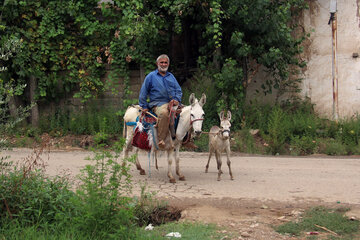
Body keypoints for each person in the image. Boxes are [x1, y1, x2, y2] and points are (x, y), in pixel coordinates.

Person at [139, 54, 182, 149]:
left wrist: (176, 100)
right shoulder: (151, 76)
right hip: (157, 104)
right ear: (157, 63)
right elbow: (143, 92)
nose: (163, 64)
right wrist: (144, 106)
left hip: (172, 103)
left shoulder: (171, 77)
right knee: (164, 113)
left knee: (189, 113)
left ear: (168, 64)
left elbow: (178, 90)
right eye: (161, 62)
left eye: (165, 62)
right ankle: (161, 139)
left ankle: (186, 139)